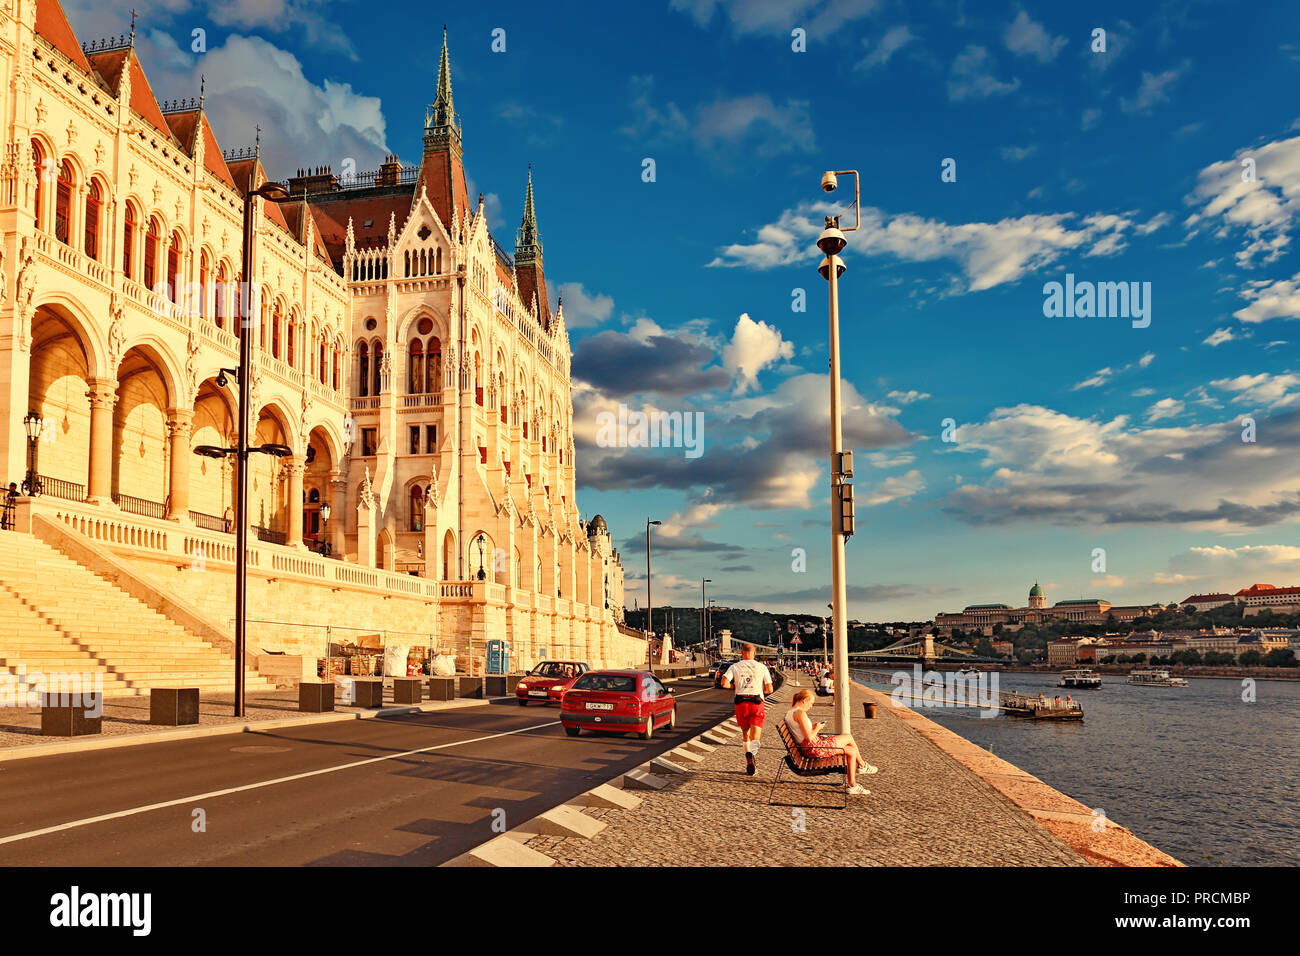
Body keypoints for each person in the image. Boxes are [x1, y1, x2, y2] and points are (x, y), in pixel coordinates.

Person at [785, 689, 876, 795]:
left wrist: (813, 728)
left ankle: (853, 785)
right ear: (805, 700)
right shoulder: (800, 713)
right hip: (814, 748)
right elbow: (809, 737)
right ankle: (862, 766)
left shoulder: (790, 712)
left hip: (810, 747)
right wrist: (818, 728)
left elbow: (802, 733)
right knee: (849, 737)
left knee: (851, 751)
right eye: (811, 703)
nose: (811, 706)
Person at [721, 643, 774, 776]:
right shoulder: (762, 667)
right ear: (754, 653)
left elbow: (724, 683)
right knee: (755, 736)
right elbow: (769, 689)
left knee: (746, 734)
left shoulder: (735, 666)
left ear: (741, 653)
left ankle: (748, 760)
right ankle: (752, 756)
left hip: (741, 702)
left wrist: (735, 687)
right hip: (756, 702)